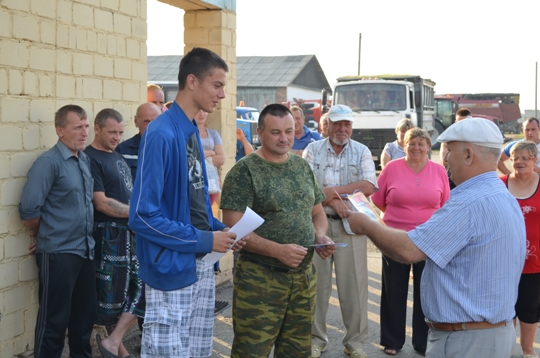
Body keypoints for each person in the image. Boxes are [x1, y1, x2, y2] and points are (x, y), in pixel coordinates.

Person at [346, 117, 526, 358]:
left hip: (466, 340)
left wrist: (368, 225)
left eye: (449, 151)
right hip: (488, 334)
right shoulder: (502, 195)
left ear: (469, 155)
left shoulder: (468, 203)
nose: (446, 158)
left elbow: (409, 250)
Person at [128, 47, 239, 358]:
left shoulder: (190, 132)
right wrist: (206, 238)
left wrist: (222, 230)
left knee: (196, 353)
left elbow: (195, 200)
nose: (222, 94)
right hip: (171, 268)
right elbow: (142, 216)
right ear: (192, 81)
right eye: (217, 85)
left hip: (199, 263)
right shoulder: (161, 133)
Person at [220, 103, 335, 358]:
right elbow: (234, 228)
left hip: (303, 279)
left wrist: (320, 235)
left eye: (289, 131)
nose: (284, 138)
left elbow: (317, 212)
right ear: (259, 133)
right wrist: (277, 251)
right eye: (275, 132)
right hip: (261, 279)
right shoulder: (244, 171)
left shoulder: (302, 167)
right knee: (252, 351)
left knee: (297, 352)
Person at [19, 104, 95, 358]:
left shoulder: (83, 159)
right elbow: (29, 212)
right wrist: (48, 229)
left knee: (83, 321)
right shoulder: (48, 163)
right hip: (59, 253)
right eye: (78, 127)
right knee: (54, 322)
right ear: (60, 131)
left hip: (85, 250)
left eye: (86, 126)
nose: (85, 132)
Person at [303, 104, 377, 358]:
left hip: (351, 226)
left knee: (354, 287)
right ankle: (315, 340)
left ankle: (355, 343)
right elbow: (306, 188)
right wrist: (334, 200)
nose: (342, 129)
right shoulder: (312, 150)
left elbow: (368, 185)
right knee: (316, 286)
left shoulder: (361, 151)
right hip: (317, 224)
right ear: (326, 126)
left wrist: (329, 194)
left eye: (347, 124)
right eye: (337, 124)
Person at [372, 128, 450, 356]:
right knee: (393, 290)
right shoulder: (391, 168)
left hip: (429, 239)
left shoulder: (439, 171)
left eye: (421, 143)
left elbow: (445, 204)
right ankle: (392, 340)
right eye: (411, 143)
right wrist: (398, 218)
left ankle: (423, 342)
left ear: (428, 146)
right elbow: (378, 200)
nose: (416, 147)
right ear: (403, 145)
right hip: (396, 238)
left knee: (425, 292)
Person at [84, 108, 144, 358]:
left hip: (128, 231)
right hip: (109, 234)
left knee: (139, 289)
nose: (117, 137)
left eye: (120, 132)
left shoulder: (116, 155)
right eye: (111, 132)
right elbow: (102, 203)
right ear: (96, 129)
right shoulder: (90, 158)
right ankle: (119, 349)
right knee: (114, 296)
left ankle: (115, 343)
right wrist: (138, 214)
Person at [500, 141, 540, 358]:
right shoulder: (500, 184)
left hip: (535, 261)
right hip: (504, 260)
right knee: (506, 307)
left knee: (529, 307)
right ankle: (506, 349)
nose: (520, 162)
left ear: (535, 160)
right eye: (516, 158)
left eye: (525, 158)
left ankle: (527, 349)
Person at [116, 102, 161, 180]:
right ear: (136, 121)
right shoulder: (123, 150)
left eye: (155, 122)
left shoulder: (169, 149)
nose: (151, 127)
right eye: (146, 122)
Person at [195, 109, 225, 205]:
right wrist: (210, 152)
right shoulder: (187, 133)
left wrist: (200, 155)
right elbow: (188, 157)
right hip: (194, 182)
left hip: (212, 181)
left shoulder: (213, 134)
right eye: (198, 110)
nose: (201, 114)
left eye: (204, 111)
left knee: (208, 214)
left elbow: (221, 159)